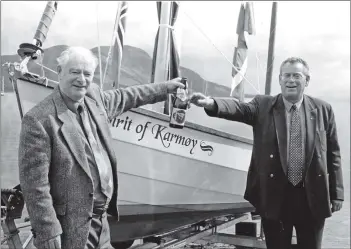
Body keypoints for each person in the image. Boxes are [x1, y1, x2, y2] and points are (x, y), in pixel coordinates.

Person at [18, 46, 184, 249]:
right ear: (60, 72)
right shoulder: (39, 119)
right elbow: (35, 186)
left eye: (87, 74)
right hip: (71, 228)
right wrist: (47, 231)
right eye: (74, 72)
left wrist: (166, 88)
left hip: (103, 222)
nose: (81, 79)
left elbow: (129, 96)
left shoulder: (94, 98)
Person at [189, 57, 344, 249]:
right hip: (275, 196)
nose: (291, 80)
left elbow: (333, 154)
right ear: (280, 79)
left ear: (307, 80)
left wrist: (337, 194)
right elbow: (239, 108)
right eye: (286, 75)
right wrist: (211, 103)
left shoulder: (323, 109)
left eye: (297, 75)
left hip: (312, 196)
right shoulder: (263, 105)